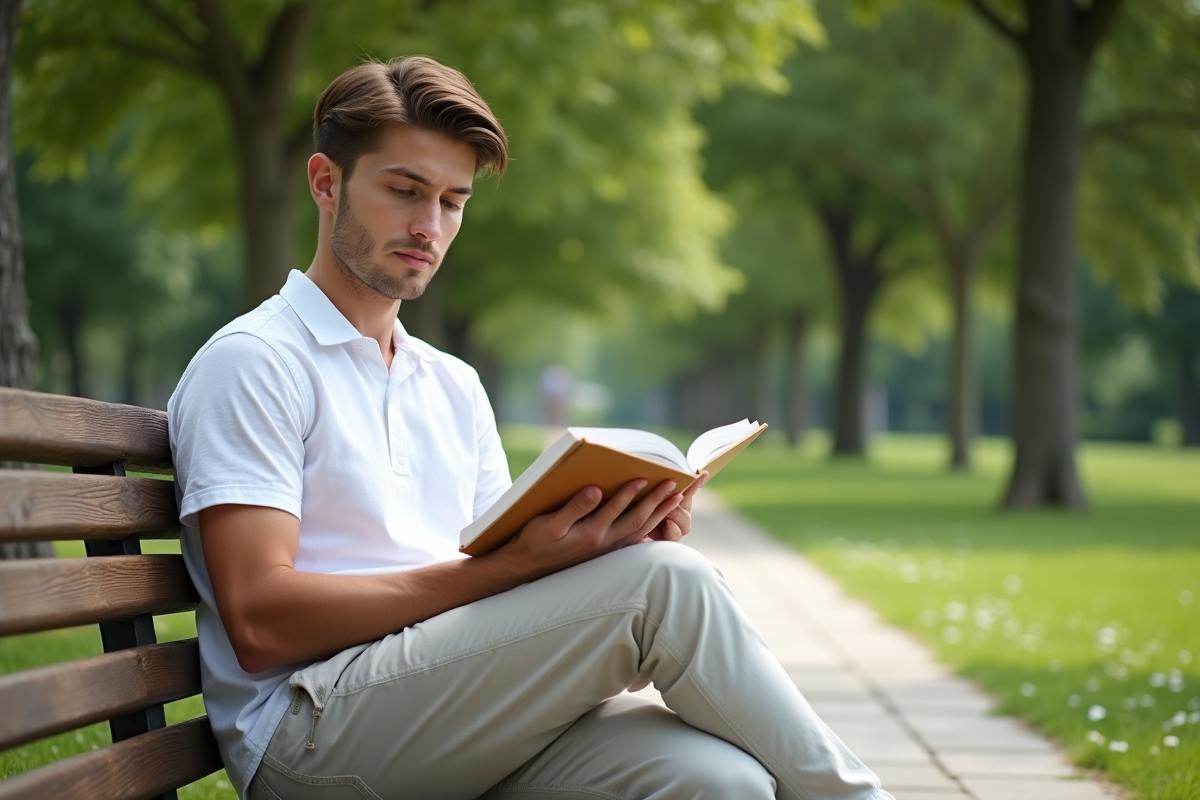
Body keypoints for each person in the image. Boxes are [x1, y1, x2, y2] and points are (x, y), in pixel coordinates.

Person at [169, 56, 894, 800]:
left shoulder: (452, 384)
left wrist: (605, 539)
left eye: (452, 201)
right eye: (404, 191)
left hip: (444, 706)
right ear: (326, 183)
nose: (429, 227)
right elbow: (260, 622)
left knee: (722, 781)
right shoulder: (255, 362)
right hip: (306, 736)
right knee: (664, 585)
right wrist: (521, 568)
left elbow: (502, 578)